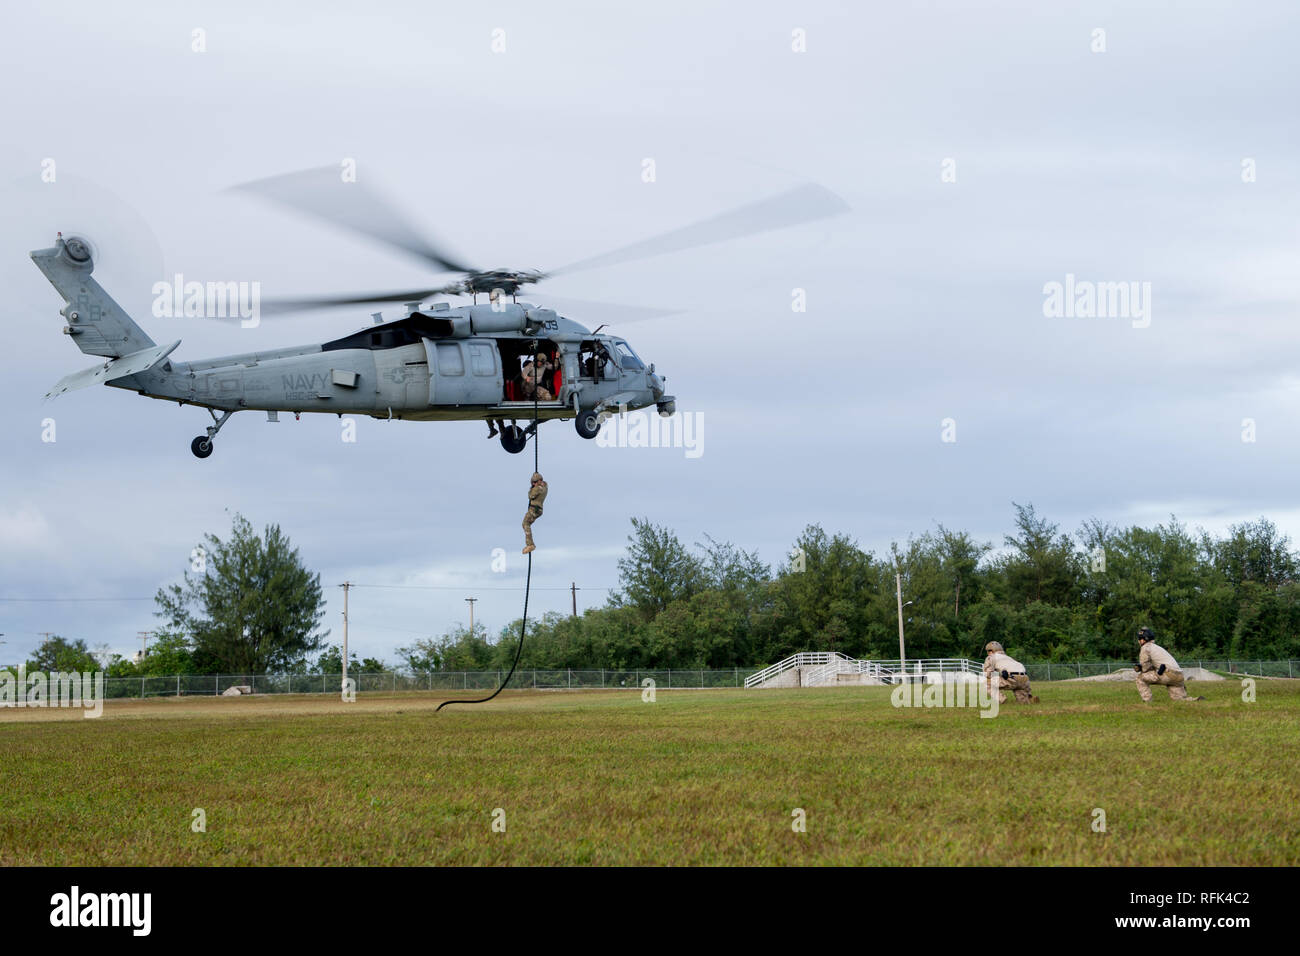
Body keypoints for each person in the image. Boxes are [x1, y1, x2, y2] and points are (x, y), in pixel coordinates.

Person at [1135, 627, 1203, 702]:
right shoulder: (1157, 648)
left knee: (1140, 678)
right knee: (1179, 700)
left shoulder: (1145, 648)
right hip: (1179, 676)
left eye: (1139, 639)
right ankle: (1196, 700)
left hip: (1167, 674)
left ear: (1142, 640)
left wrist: (1140, 668)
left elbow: (1145, 668)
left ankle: (1147, 701)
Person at [522, 471, 547, 555]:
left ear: (539, 481)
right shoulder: (545, 486)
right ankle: (530, 544)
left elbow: (530, 496)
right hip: (538, 510)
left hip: (534, 509)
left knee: (525, 523)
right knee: (526, 524)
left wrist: (532, 488)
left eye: (535, 482)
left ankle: (530, 545)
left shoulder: (538, 488)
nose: (534, 484)